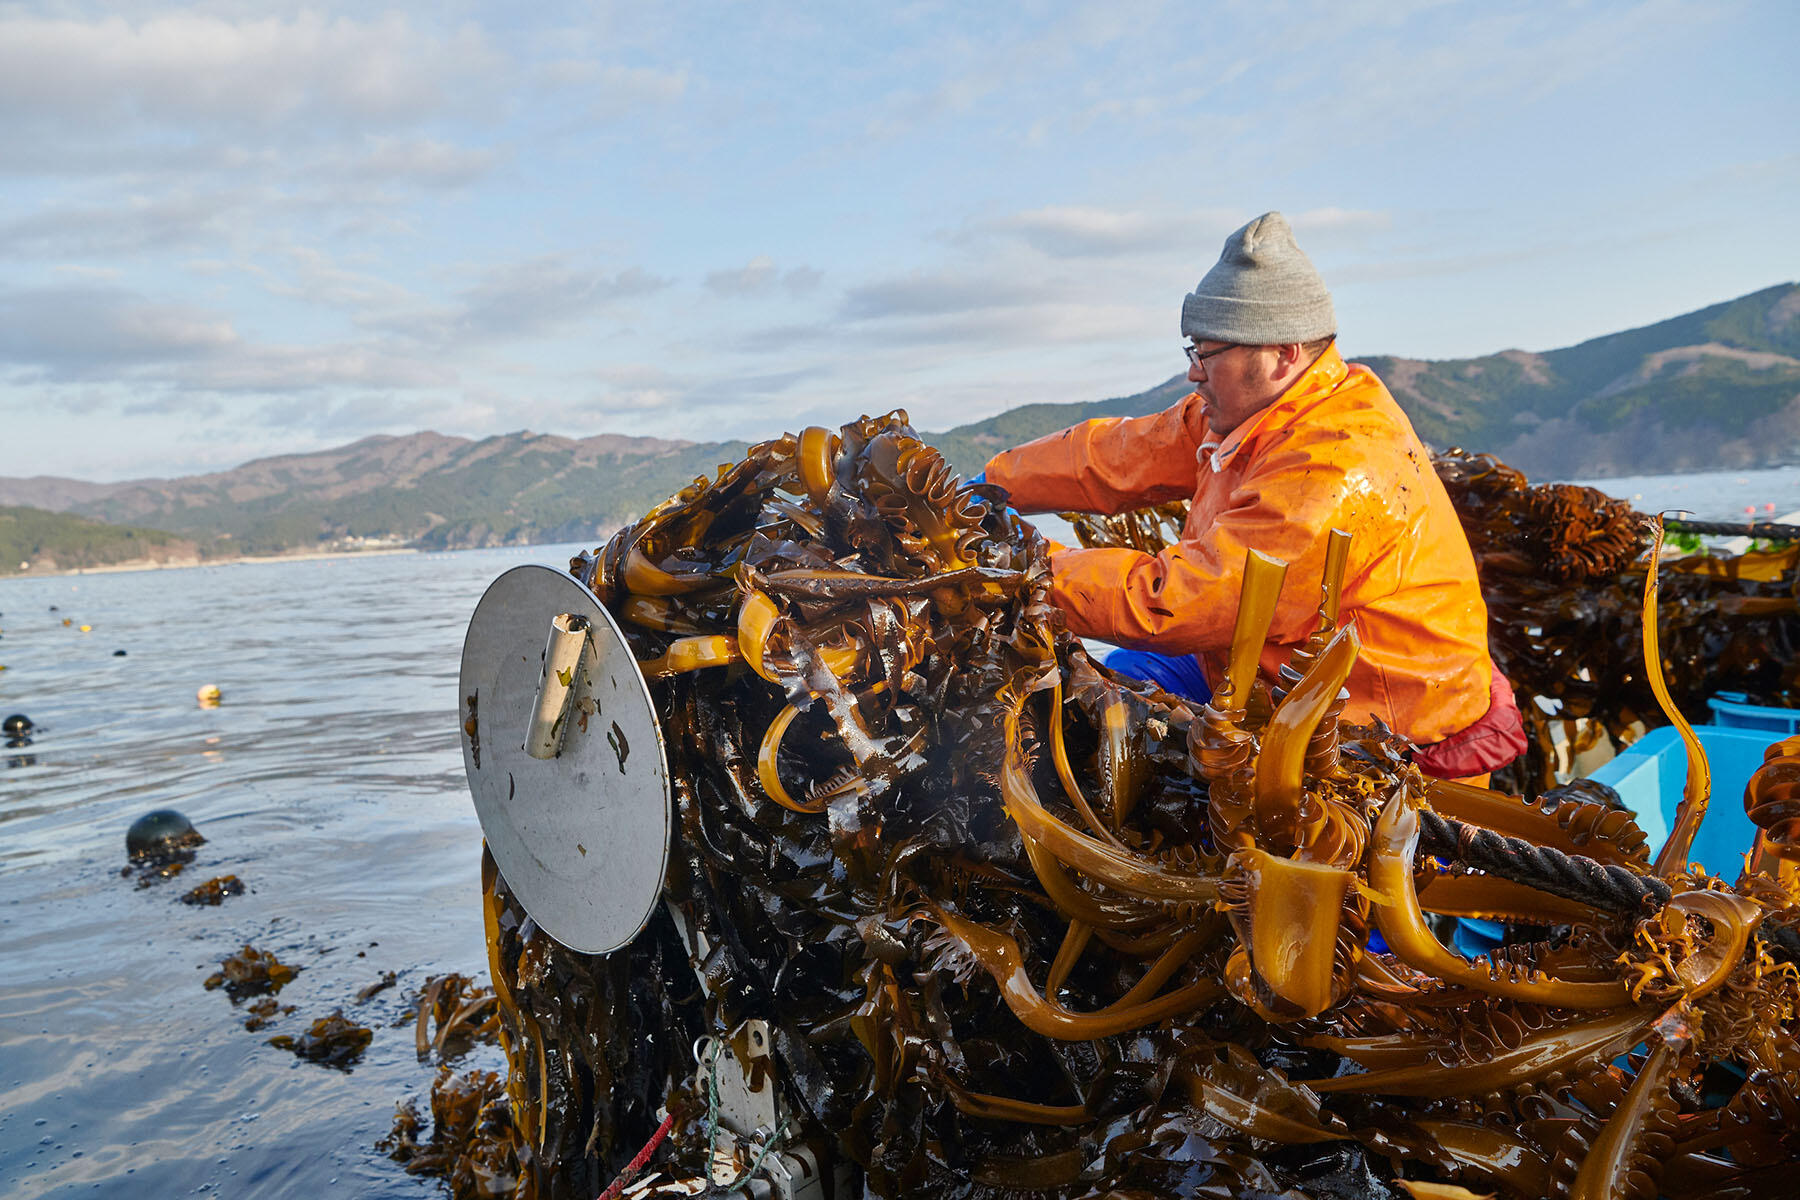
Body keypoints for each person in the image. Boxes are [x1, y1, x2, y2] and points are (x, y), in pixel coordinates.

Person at [981, 212, 1525, 784]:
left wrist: (1019, 566)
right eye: (1191, 350)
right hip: (1266, 675)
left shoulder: (1332, 462)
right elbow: (1124, 453)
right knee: (1111, 690)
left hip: (1379, 735)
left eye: (1206, 354)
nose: (1193, 373)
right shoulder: (1256, 414)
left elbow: (1179, 601)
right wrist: (992, 483)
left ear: (1282, 353)